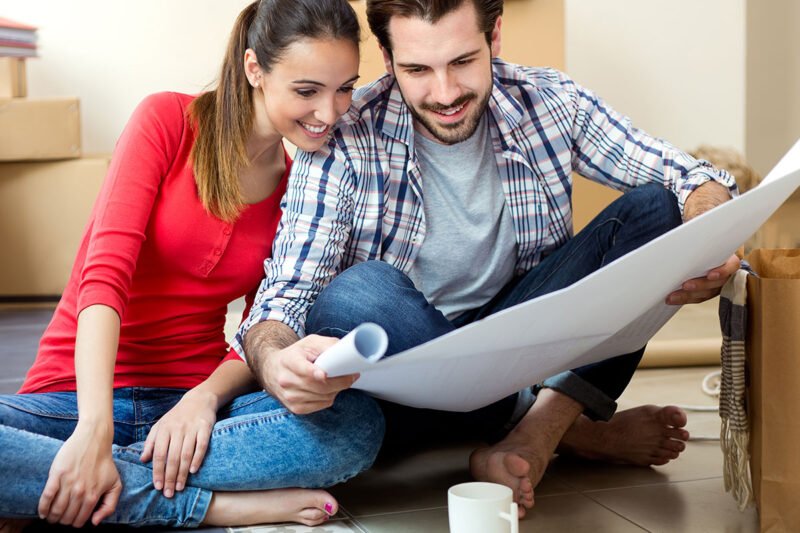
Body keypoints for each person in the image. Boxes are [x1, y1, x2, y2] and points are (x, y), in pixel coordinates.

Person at [235, 0, 742, 518]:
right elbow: (284, 299)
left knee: (660, 210)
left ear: (493, 35)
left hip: (514, 347)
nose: (445, 93)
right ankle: (557, 427)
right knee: (360, 293)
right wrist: (274, 360)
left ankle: (537, 430)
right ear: (387, 59)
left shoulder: (548, 99)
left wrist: (706, 239)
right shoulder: (345, 136)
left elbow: (690, 176)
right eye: (417, 70)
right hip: (406, 383)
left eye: (462, 61)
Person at [0, 0, 384, 530]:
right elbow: (103, 280)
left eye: (344, 89)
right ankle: (198, 505)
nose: (331, 112)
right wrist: (93, 430)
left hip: (192, 410)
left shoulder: (301, 185)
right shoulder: (166, 121)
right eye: (306, 91)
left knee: (354, 424)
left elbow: (261, 325)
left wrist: (203, 399)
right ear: (255, 68)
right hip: (74, 399)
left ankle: (61, 486)